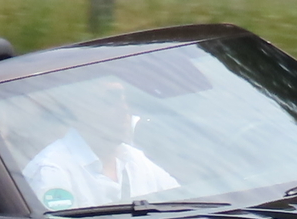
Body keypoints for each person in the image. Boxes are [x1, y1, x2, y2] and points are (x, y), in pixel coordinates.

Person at [19, 74, 178, 209]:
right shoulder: (52, 171)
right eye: (109, 101)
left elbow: (180, 204)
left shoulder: (134, 159)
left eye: (124, 100)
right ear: (80, 111)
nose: (124, 110)